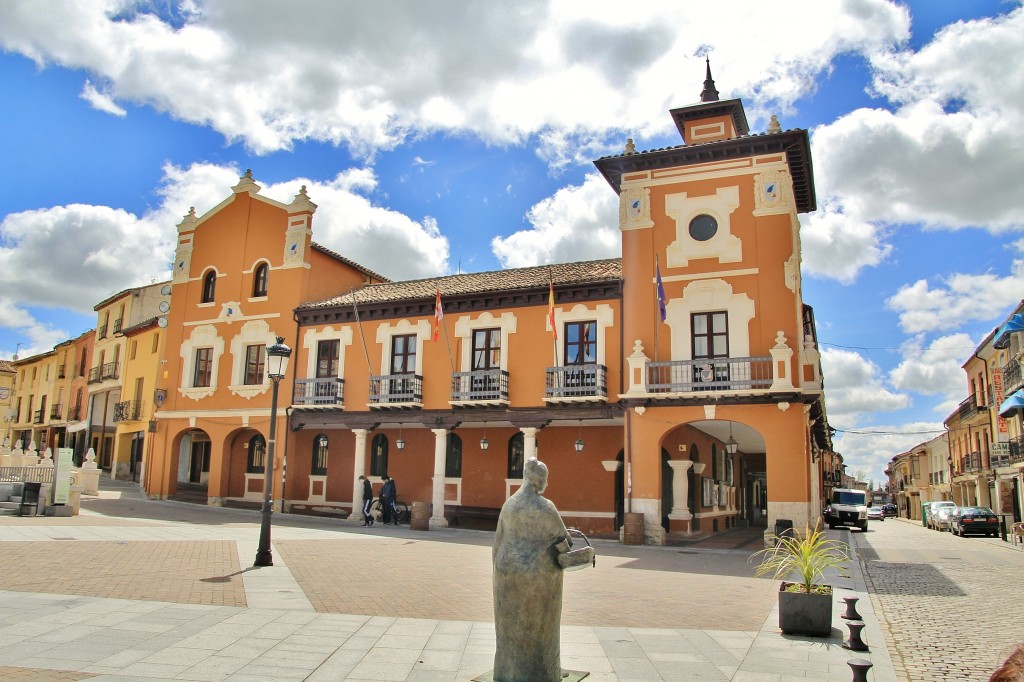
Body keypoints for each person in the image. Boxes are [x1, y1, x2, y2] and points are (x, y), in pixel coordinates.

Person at [492, 457, 575, 682]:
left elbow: (498, 541)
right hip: (539, 578)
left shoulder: (509, 504)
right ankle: (543, 673)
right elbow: (564, 540)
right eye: (545, 480)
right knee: (540, 629)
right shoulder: (545, 506)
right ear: (540, 481)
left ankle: (506, 673)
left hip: (506, 574)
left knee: (509, 628)